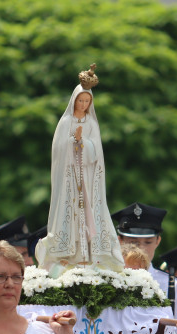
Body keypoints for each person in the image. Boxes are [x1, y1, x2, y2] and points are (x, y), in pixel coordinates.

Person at [35, 65, 123, 274]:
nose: (83, 104)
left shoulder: (91, 122)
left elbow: (96, 153)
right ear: (74, 100)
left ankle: (92, 255)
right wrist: (74, 142)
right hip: (70, 179)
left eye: (87, 101)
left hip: (88, 178)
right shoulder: (66, 121)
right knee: (70, 215)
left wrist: (83, 142)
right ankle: (69, 255)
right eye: (80, 100)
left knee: (90, 213)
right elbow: (58, 150)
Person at [113, 202, 177, 323]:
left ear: (158, 241)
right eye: (133, 242)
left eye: (148, 242)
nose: (141, 248)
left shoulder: (173, 287)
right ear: (120, 241)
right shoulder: (105, 281)